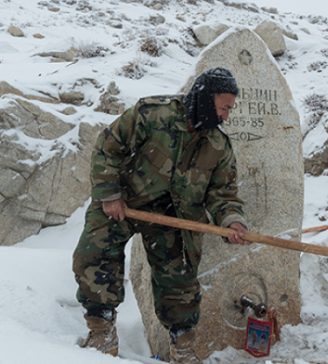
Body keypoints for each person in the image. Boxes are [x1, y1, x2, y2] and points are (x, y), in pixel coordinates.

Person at [72, 67, 251, 364]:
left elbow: (223, 193)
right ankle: (102, 331)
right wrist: (110, 194)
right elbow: (107, 148)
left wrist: (232, 220)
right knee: (94, 255)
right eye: (223, 108)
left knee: (179, 281)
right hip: (122, 202)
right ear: (206, 99)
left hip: (173, 216)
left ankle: (182, 347)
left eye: (229, 110)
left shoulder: (218, 146)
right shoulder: (151, 114)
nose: (225, 117)